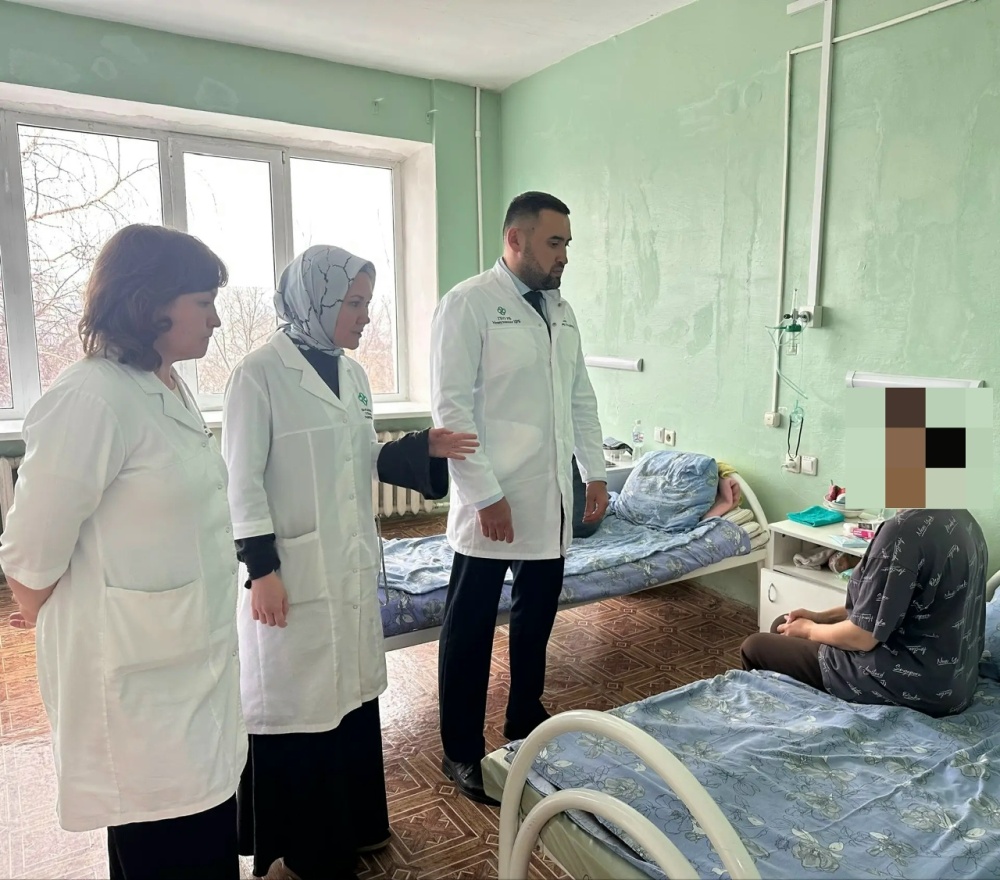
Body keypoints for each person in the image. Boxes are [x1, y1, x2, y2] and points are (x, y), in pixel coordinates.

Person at [222, 245, 478, 880]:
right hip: (292, 572)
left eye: (367, 302)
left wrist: (424, 447)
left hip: (348, 567)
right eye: (355, 303)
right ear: (317, 300)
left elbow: (363, 454)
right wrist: (262, 570)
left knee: (351, 700)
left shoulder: (353, 374)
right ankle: (305, 848)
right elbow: (241, 482)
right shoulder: (259, 374)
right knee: (301, 706)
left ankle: (356, 825)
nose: (365, 316)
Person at [0, 225, 246, 879]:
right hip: (137, 690)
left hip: (187, 668)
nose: (216, 319)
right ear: (149, 303)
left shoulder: (167, 386)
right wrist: (78, 617)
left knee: (204, 836)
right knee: (166, 850)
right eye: (204, 302)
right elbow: (28, 558)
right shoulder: (90, 398)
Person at [430, 191, 608, 804]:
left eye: (567, 244)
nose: (564, 256)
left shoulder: (561, 311)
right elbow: (450, 410)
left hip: (549, 498)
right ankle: (460, 748)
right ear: (516, 240)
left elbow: (580, 396)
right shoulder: (469, 304)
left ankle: (523, 718)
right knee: (470, 631)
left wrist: (595, 472)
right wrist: (485, 495)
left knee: (536, 621)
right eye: (554, 243)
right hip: (492, 503)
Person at [741, 509, 988, 717]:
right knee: (783, 624)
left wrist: (809, 630)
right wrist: (819, 618)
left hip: (912, 682)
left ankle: (765, 717)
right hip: (954, 681)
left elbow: (862, 637)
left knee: (755, 647)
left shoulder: (902, 532)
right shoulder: (965, 521)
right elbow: (883, 606)